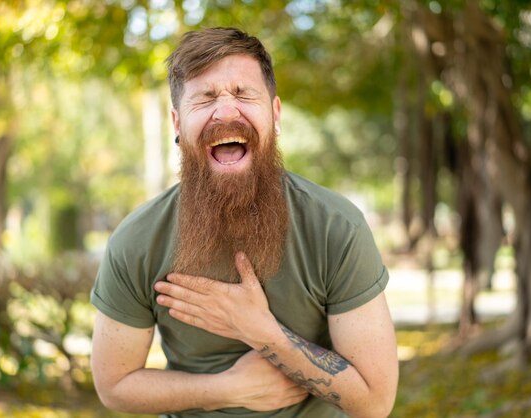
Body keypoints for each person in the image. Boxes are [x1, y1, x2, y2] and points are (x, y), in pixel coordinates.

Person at [90, 27, 398, 418]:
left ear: (275, 114)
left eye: (242, 93)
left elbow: (375, 401)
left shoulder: (337, 229)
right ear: (176, 124)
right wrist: (226, 389)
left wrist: (261, 331)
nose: (226, 111)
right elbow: (114, 386)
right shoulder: (136, 241)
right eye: (204, 98)